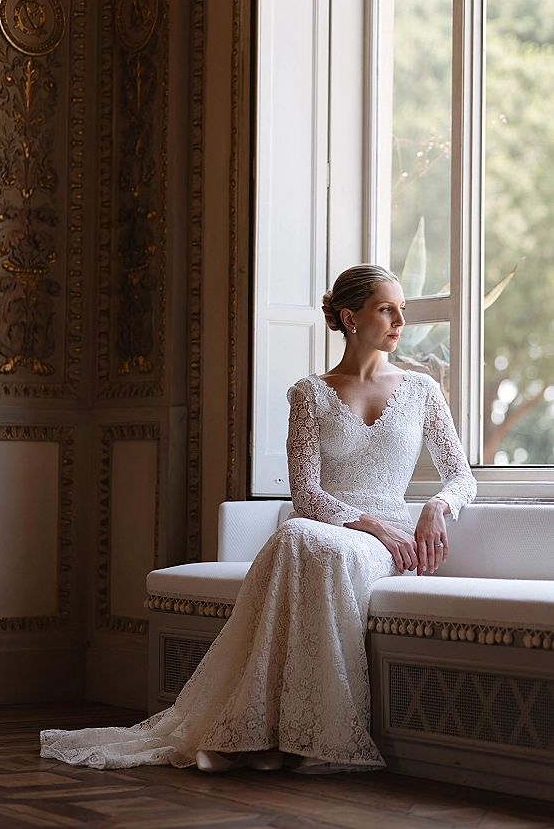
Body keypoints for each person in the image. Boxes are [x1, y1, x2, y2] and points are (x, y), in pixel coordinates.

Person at [40, 264, 476, 774]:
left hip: (390, 547)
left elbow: (462, 478)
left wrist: (434, 506)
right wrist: (368, 523)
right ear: (349, 317)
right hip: (336, 532)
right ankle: (276, 733)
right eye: (387, 308)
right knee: (299, 534)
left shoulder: (422, 391)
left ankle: (285, 736)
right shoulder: (309, 394)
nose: (401, 319)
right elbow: (306, 494)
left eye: (402, 309)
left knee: (298, 539)